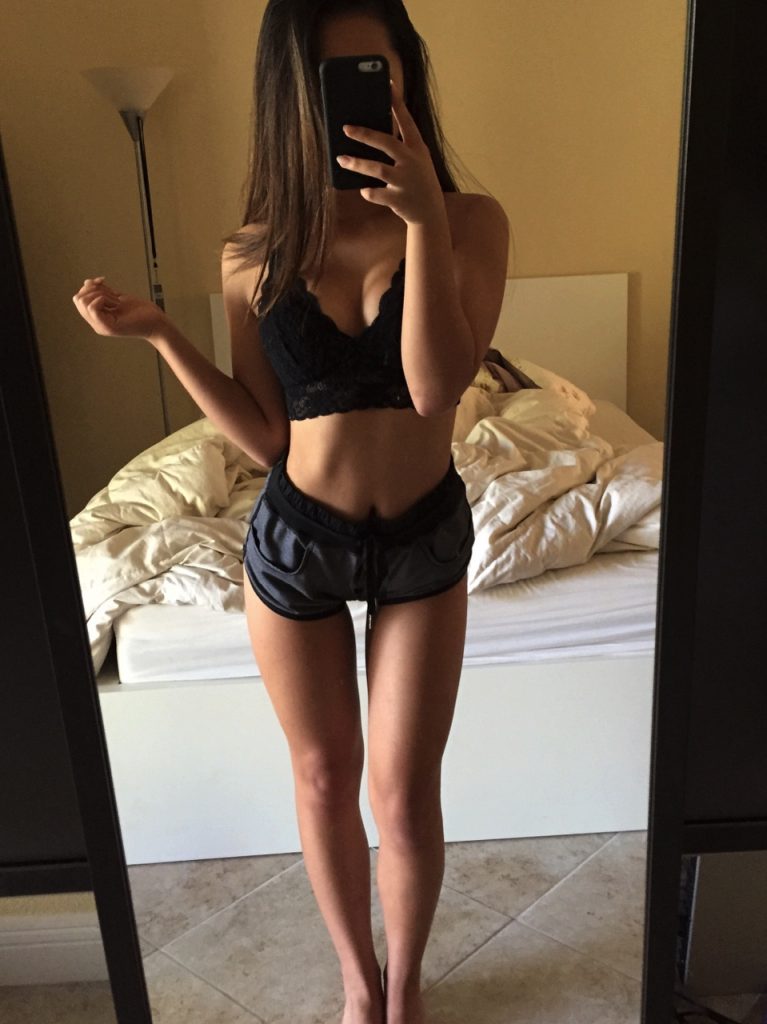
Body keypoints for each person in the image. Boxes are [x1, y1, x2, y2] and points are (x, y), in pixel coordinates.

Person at [73, 1, 508, 1020]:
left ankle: (404, 991)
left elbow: (435, 388)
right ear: (291, 97)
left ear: (406, 76)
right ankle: (358, 985)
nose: (359, 96)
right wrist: (163, 337)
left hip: (422, 539)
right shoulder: (252, 250)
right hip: (297, 540)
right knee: (321, 778)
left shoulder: (469, 221)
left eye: (376, 72)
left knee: (402, 794)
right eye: (331, 79)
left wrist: (422, 221)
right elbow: (268, 437)